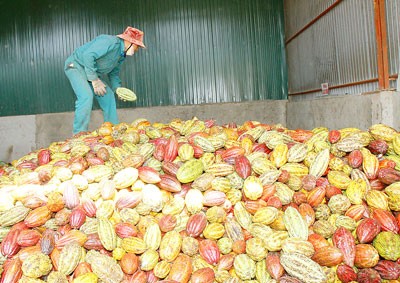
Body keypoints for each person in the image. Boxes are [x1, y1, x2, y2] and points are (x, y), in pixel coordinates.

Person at [64, 26, 145, 135]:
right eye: (137, 46)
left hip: (91, 72)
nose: (137, 49)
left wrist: (118, 89)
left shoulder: (121, 55)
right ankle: (78, 134)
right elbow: (88, 55)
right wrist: (95, 80)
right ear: (129, 42)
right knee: (86, 96)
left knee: (109, 95)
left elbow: (114, 73)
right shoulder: (109, 42)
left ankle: (114, 131)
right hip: (76, 66)